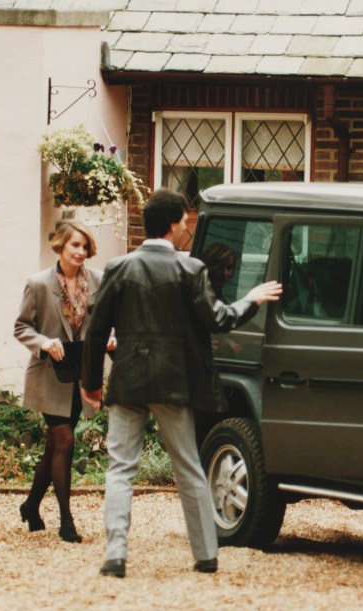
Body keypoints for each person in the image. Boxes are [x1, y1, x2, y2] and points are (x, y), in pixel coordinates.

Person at [81, 188, 282, 578]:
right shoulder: (190, 270)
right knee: (188, 467)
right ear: (174, 225)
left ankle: (116, 555)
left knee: (120, 468)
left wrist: (91, 382)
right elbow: (218, 319)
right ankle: (206, 555)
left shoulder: (118, 268)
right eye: (185, 221)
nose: (187, 226)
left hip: (129, 380)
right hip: (174, 382)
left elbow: (95, 332)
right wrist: (254, 299)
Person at [14, 219, 112, 543]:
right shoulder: (39, 283)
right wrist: (43, 342)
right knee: (65, 442)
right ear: (60, 245)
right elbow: (21, 327)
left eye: (85, 246)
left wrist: (110, 339)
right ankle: (66, 521)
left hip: (80, 376)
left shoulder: (98, 281)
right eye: (74, 245)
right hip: (49, 376)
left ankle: (30, 505)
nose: (80, 252)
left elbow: (105, 324)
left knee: (54, 446)